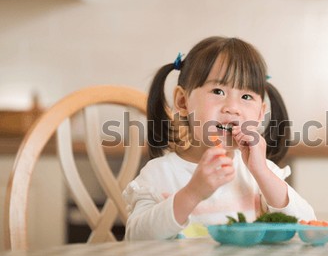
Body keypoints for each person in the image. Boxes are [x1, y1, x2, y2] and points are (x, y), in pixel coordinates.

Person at [123, 36, 316, 240]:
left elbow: (308, 227)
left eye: (246, 97)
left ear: (260, 114)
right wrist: (192, 193)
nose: (232, 108)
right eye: (218, 91)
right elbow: (135, 239)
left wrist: (262, 173)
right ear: (182, 101)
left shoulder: (261, 175)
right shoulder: (160, 174)